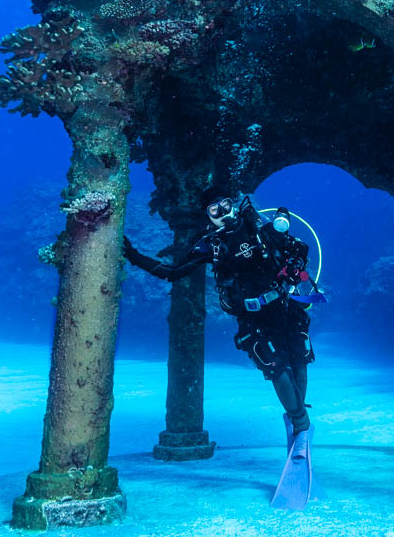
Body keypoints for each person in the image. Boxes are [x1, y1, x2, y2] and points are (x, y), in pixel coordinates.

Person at [122, 184, 319, 506]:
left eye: (226, 205)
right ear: (207, 217)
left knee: (299, 360)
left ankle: (297, 420)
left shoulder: (260, 228)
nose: (223, 213)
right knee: (275, 369)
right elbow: (172, 272)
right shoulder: (210, 246)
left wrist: (292, 270)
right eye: (214, 210)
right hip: (252, 318)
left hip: (285, 306)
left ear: (234, 204)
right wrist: (132, 255)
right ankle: (301, 424)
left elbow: (301, 247)